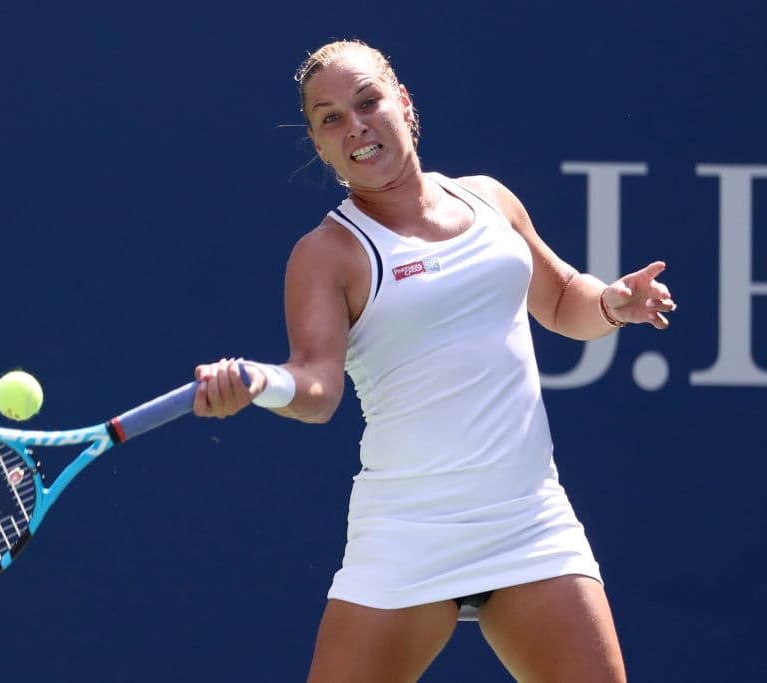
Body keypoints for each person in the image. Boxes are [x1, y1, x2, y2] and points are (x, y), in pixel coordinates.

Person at [192, 39, 675, 683]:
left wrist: (613, 302)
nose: (356, 125)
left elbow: (561, 299)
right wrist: (261, 383)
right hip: (406, 533)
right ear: (317, 142)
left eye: (368, 101)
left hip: (527, 521)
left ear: (404, 103)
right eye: (330, 117)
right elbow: (316, 388)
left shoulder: (489, 200)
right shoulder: (327, 254)